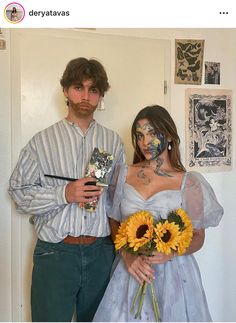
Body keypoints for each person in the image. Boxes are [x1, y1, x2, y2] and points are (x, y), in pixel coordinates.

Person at [8, 57, 125, 322]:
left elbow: (117, 198)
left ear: (100, 95)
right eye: (78, 87)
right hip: (56, 254)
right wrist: (65, 193)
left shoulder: (112, 141)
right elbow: (18, 193)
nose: (85, 95)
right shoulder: (41, 142)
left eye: (93, 89)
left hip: (101, 253)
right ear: (65, 91)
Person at [93, 105, 223, 322]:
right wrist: (127, 255)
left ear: (169, 136)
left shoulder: (189, 182)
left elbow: (198, 238)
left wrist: (171, 253)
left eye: (152, 133)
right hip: (131, 272)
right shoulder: (123, 174)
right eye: (140, 135)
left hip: (175, 277)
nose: (144, 142)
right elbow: (113, 222)